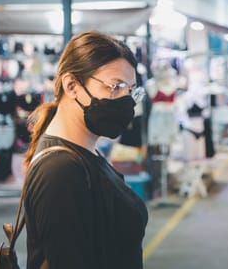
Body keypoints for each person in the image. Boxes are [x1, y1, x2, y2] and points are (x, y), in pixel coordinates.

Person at [23, 31, 148, 268]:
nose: (126, 101)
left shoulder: (85, 153)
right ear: (71, 85)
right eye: (115, 86)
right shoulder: (60, 170)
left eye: (131, 91)